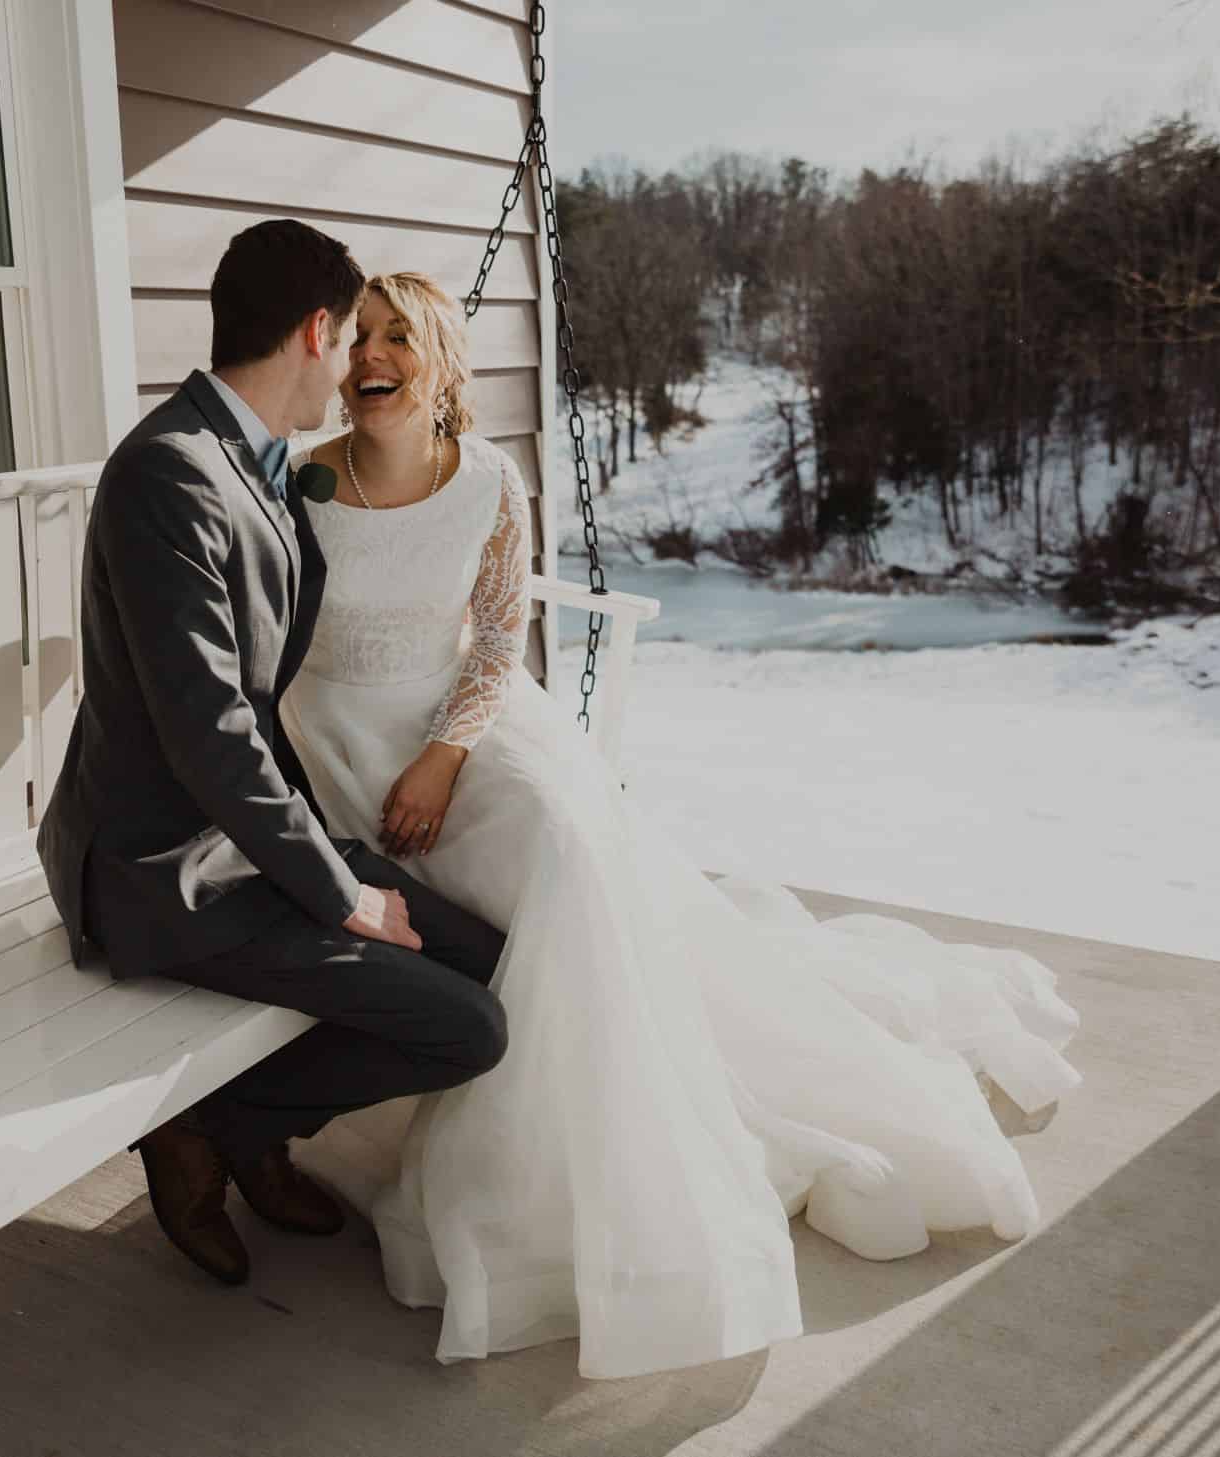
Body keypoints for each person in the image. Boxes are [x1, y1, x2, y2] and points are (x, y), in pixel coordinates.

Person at [276, 272, 1084, 1378]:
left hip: (455, 724)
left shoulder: (490, 485)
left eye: (396, 336)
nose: (370, 355)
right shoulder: (303, 482)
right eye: (358, 336)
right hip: (334, 740)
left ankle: (574, 1169)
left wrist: (444, 752)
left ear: (441, 361)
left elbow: (500, 633)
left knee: (566, 851)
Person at [37, 223, 511, 1289]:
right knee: (467, 1025)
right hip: (163, 870)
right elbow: (210, 730)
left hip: (244, 839)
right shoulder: (169, 473)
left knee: (485, 960)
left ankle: (239, 1126)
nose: (354, 367)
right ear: (314, 330)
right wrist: (339, 890)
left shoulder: (253, 460)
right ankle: (211, 1127)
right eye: (350, 338)